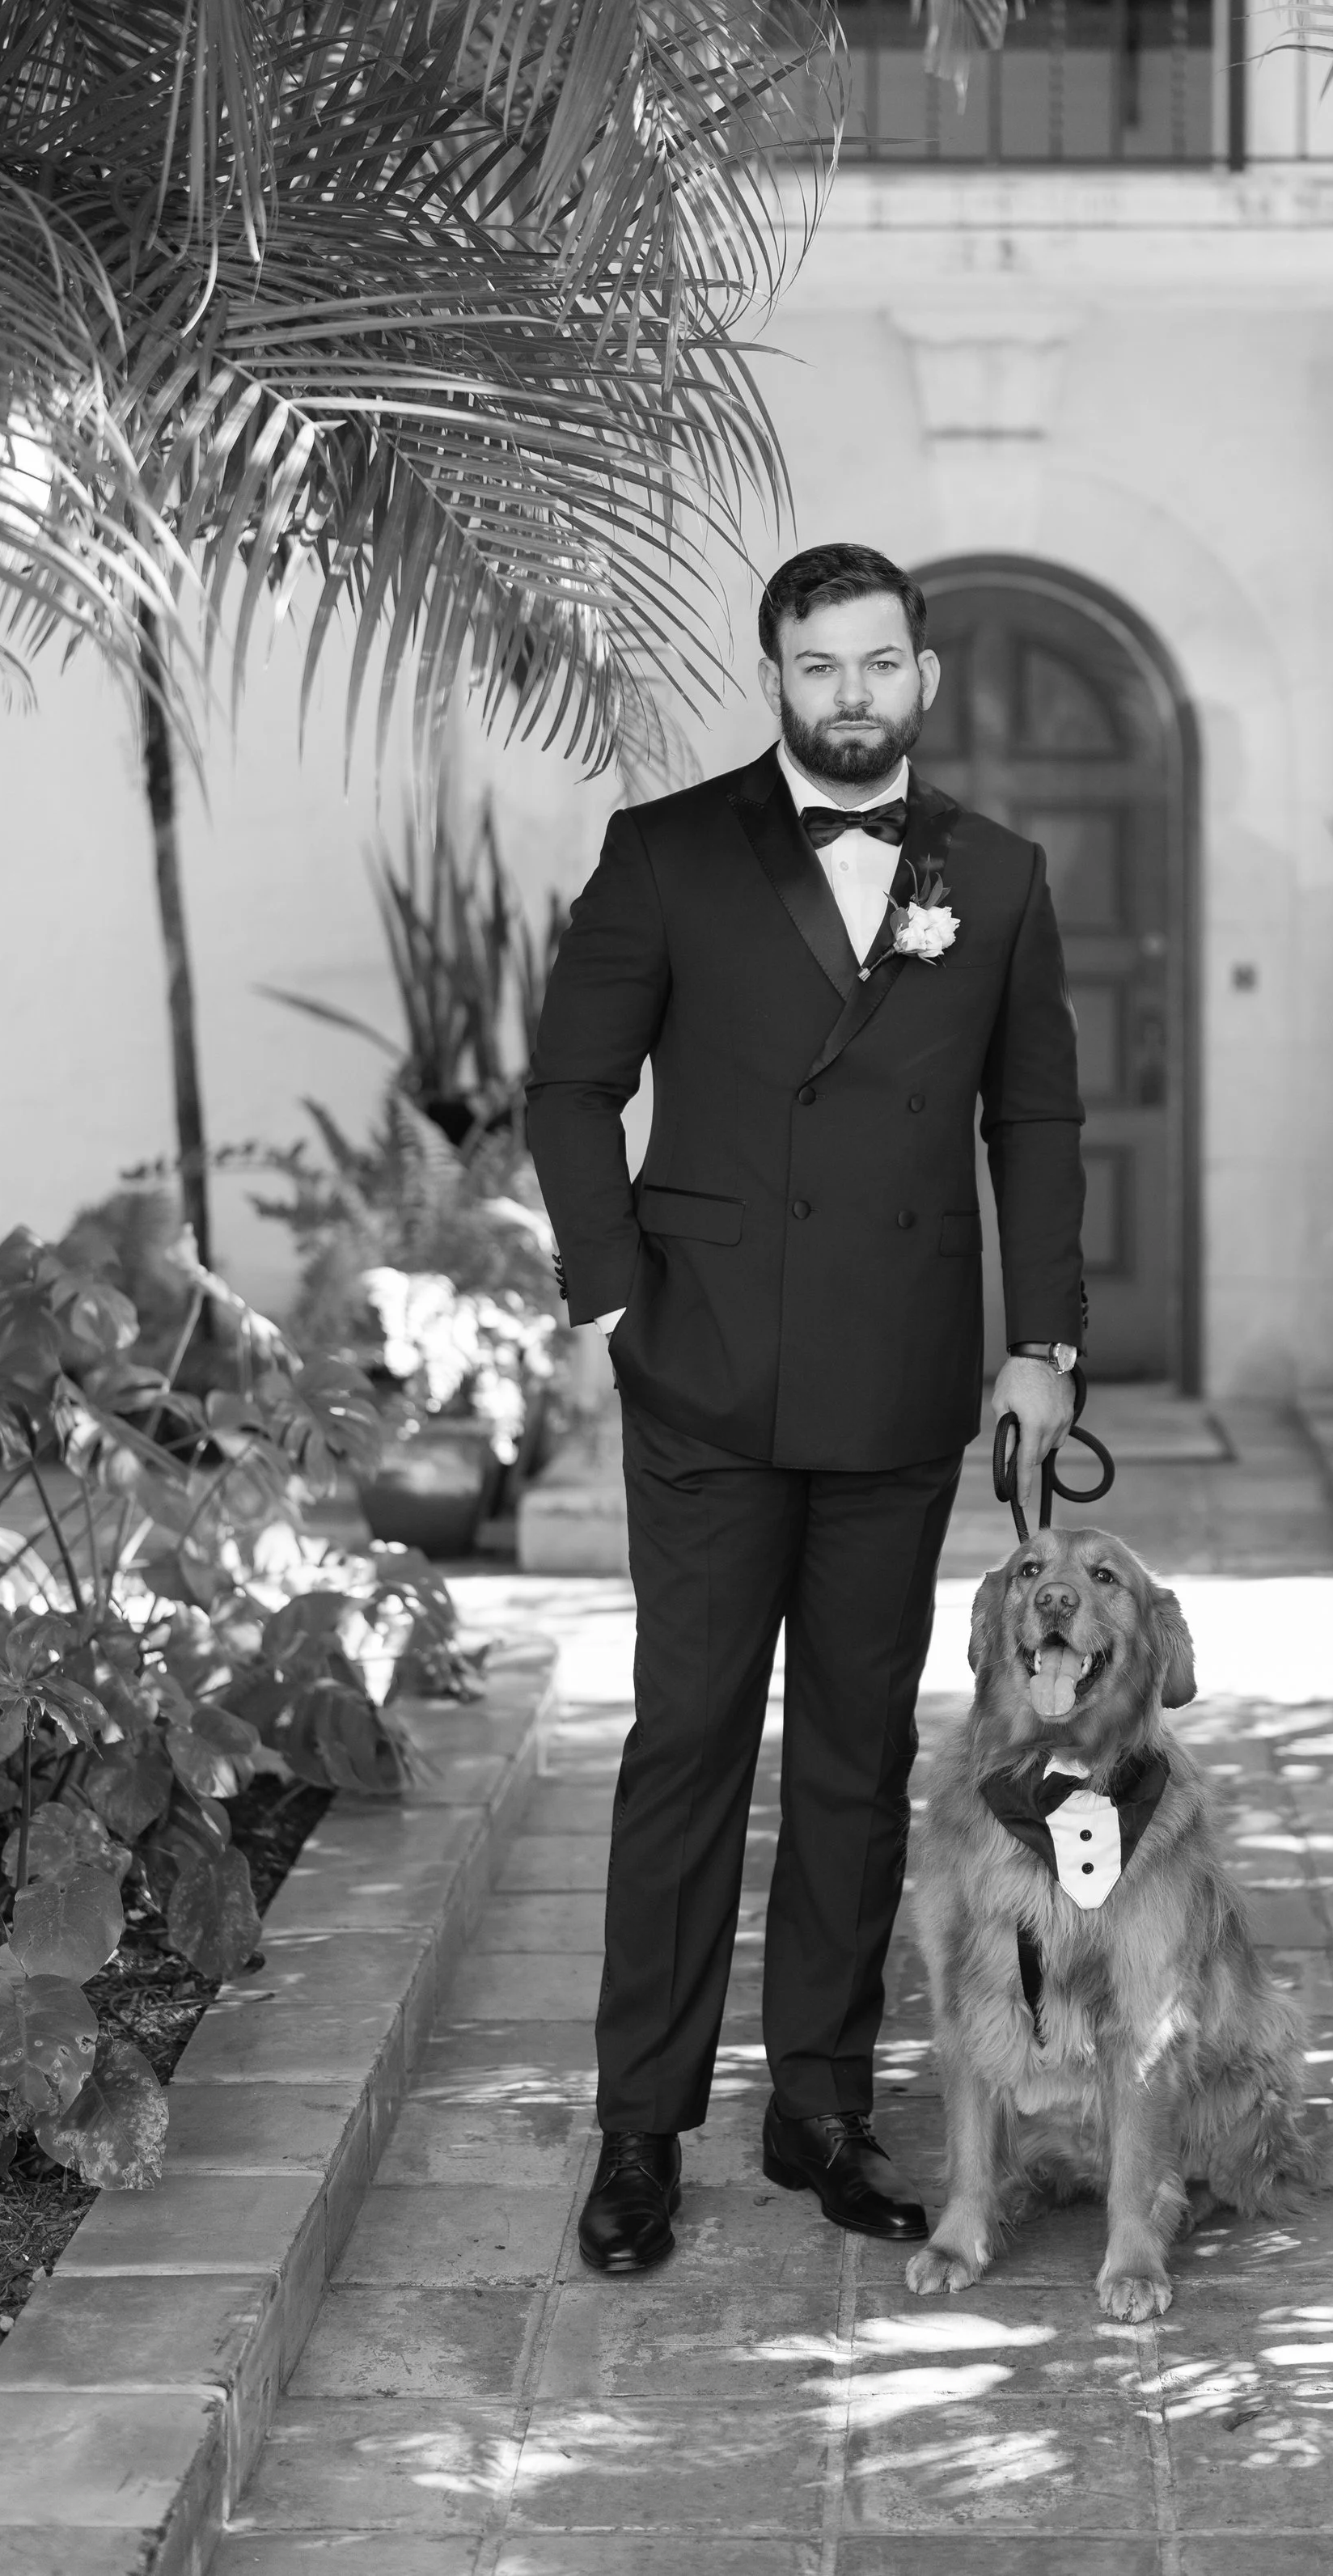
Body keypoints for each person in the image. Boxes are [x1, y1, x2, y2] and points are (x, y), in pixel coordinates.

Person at [526, 541, 1087, 2274]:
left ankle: (821, 2111)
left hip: (898, 1374)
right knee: (687, 1743)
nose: (851, 693)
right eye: (817, 665)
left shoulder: (996, 874)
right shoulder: (667, 851)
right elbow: (569, 1086)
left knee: (856, 1756)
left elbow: (1035, 1122)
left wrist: (1042, 1342)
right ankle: (642, 2127)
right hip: (700, 1367)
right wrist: (614, 1295)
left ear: (924, 676)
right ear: (773, 676)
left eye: (877, 662)